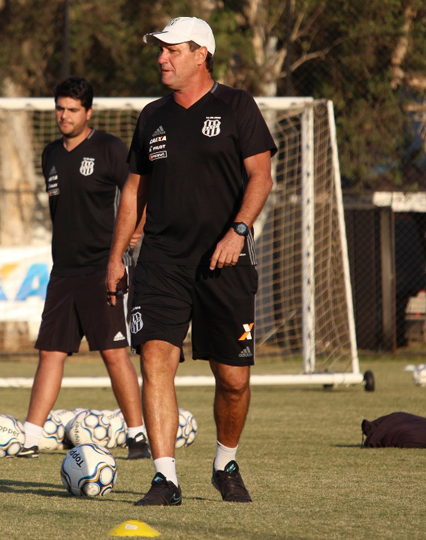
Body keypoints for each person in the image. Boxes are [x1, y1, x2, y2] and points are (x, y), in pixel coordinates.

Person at [105, 17, 277, 505]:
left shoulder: (237, 105)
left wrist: (238, 232)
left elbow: (260, 176)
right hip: (162, 261)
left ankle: (225, 463)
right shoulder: (152, 117)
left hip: (225, 262)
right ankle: (165, 478)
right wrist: (117, 255)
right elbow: (135, 188)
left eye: (172, 50)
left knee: (234, 379)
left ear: (202, 53)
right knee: (157, 358)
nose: (162, 58)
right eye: (160, 50)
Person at [18, 77, 150, 460]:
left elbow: (137, 193)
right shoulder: (50, 154)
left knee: (113, 352)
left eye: (72, 109)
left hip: (103, 267)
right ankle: (29, 437)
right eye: (59, 108)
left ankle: (137, 435)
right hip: (64, 272)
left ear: (88, 112)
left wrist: (133, 236)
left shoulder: (109, 148)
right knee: (50, 352)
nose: (64, 115)